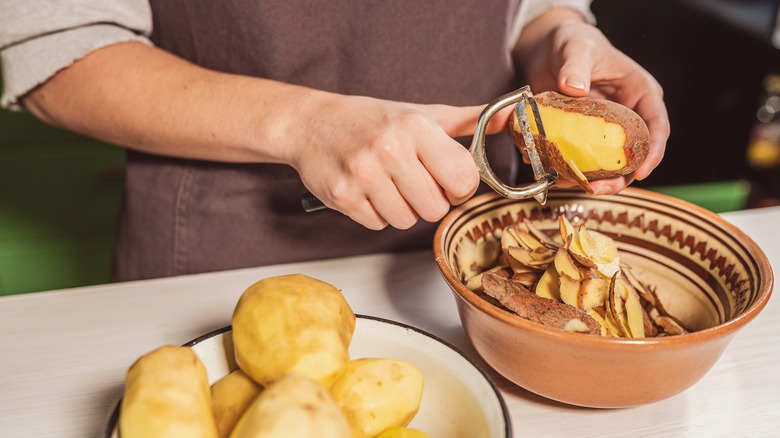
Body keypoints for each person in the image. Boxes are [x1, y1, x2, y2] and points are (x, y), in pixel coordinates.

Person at [0, 0, 669, 281]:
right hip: (227, 263)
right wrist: (302, 124)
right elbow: (56, 46)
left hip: (483, 261)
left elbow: (526, 7)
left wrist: (559, 37)